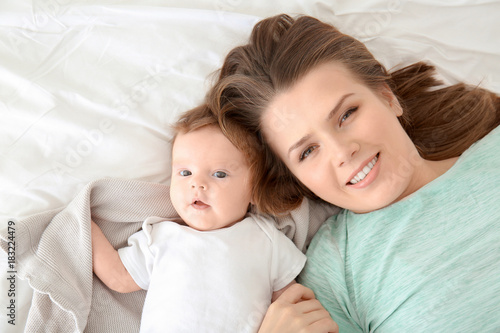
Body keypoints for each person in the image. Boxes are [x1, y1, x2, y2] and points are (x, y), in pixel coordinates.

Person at [207, 14, 500, 332]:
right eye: (307, 151)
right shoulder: (334, 270)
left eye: (347, 114)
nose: (342, 151)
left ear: (387, 97)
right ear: (296, 177)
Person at [90, 104, 338, 332]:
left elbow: (292, 304)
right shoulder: (162, 237)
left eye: (219, 174)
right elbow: (118, 276)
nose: (197, 184)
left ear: (254, 189)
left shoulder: (266, 240)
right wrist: (83, 224)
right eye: (185, 172)